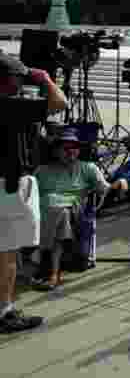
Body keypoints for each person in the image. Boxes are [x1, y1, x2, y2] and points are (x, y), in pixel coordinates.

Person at [0, 53, 65, 333]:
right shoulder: (12, 106)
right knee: (7, 254)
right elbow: (60, 103)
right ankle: (5, 312)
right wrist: (44, 78)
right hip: (9, 187)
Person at [33, 128, 128, 290]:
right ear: (56, 151)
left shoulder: (87, 168)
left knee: (60, 213)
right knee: (54, 211)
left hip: (73, 211)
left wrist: (121, 182)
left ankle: (50, 268)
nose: (71, 152)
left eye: (75, 148)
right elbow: (29, 195)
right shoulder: (42, 171)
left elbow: (104, 189)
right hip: (44, 213)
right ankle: (51, 268)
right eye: (66, 148)